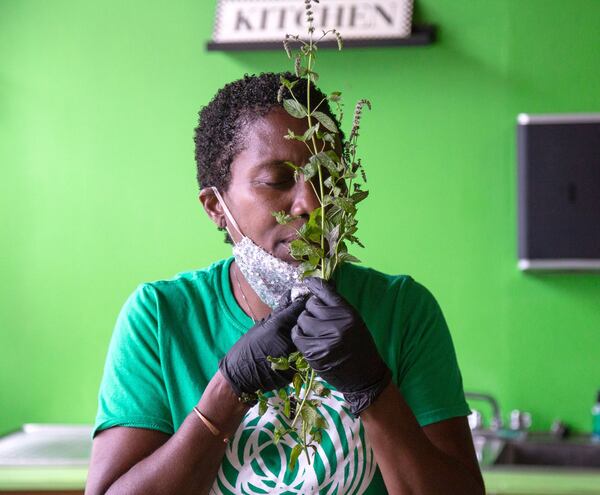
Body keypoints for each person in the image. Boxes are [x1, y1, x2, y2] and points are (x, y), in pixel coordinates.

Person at [85, 72, 485, 495]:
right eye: (276, 180)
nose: (311, 204)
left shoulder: (403, 310)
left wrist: (373, 388)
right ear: (215, 207)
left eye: (327, 178)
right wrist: (229, 389)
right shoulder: (161, 318)